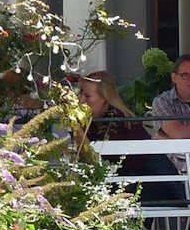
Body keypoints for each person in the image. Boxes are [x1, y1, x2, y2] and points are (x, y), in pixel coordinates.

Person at [77, 70, 181, 205]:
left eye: (87, 96)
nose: (81, 99)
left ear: (104, 98)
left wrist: (77, 130)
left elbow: (96, 160)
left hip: (155, 185)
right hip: (136, 183)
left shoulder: (116, 121)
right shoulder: (95, 121)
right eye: (80, 93)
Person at [150, 53, 190, 140]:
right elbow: (177, 133)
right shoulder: (162, 101)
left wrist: (169, 137)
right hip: (177, 153)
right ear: (174, 77)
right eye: (185, 75)